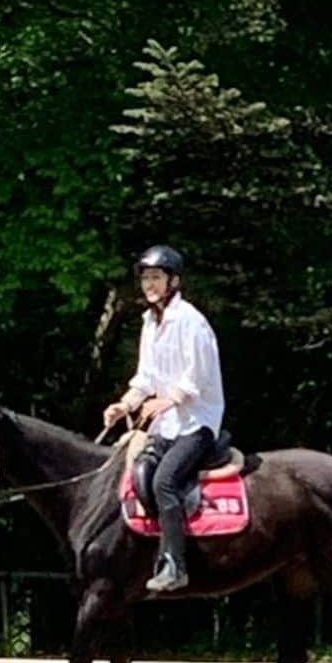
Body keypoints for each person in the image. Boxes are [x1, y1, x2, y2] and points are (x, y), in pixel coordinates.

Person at [103, 244, 225, 592]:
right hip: (167, 425)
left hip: (196, 423)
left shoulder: (191, 321)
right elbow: (145, 378)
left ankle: (174, 564)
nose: (149, 285)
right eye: (145, 278)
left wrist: (165, 401)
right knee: (137, 474)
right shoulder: (149, 323)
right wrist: (124, 405)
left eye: (156, 277)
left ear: (173, 280)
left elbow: (196, 379)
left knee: (164, 482)